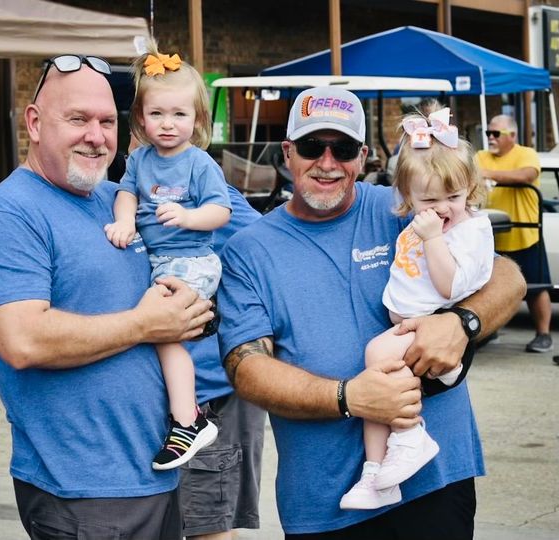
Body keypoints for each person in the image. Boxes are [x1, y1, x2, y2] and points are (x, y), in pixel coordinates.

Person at [217, 86, 525, 537]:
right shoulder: (249, 250)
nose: (327, 162)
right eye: (311, 146)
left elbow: (507, 278)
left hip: (435, 482)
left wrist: (462, 323)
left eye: (342, 148)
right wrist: (348, 397)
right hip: (325, 499)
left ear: (362, 156)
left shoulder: (407, 204)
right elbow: (247, 368)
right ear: (287, 153)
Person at [0, 54, 213, 539]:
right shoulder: (11, 213)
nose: (96, 136)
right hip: (82, 491)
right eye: (77, 119)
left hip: (154, 473)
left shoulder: (117, 199)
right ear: (34, 123)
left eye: (107, 121)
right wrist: (145, 324)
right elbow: (24, 340)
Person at [340, 108, 494, 510]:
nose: (443, 207)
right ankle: (376, 475)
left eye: (454, 197)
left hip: (426, 331)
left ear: (471, 190)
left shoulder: (464, 230)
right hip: (408, 325)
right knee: (373, 389)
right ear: (407, 197)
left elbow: (449, 284)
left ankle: (410, 435)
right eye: (429, 199)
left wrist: (431, 238)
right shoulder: (423, 221)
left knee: (376, 357)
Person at [104, 43, 231, 470]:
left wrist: (189, 216)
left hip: (192, 260)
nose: (168, 124)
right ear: (140, 118)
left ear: (197, 119)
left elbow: (221, 211)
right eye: (157, 114)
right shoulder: (139, 160)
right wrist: (124, 221)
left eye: (179, 114)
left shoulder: (199, 163)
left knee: (162, 332)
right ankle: (179, 411)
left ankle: (188, 420)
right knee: (154, 332)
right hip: (157, 261)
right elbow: (125, 192)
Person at [180, 184, 266, 540]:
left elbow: (271, 246)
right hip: (165, 396)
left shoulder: (210, 193)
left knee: (209, 527)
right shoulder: (129, 196)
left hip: (211, 397)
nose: (163, 125)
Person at [476, 114, 554, 353]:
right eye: (488, 133)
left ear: (512, 135)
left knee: (535, 287)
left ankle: (543, 334)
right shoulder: (480, 156)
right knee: (487, 288)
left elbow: (527, 175)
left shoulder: (526, 154)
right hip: (492, 235)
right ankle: (489, 331)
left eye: (496, 133)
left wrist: (488, 174)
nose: (490, 138)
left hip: (524, 232)